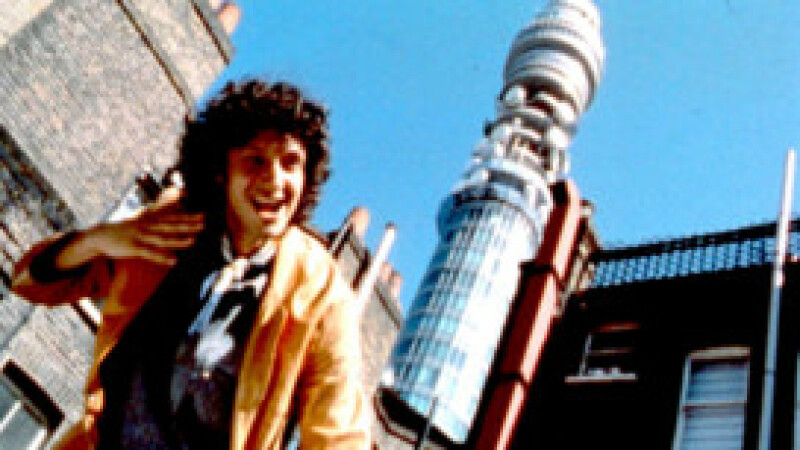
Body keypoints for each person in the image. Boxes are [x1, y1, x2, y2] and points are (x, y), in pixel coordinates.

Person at [11, 80, 369, 449]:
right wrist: (100, 239)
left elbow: (339, 431)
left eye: (291, 163)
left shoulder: (320, 289)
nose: (275, 180)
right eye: (255, 160)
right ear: (221, 170)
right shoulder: (171, 224)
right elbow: (28, 281)